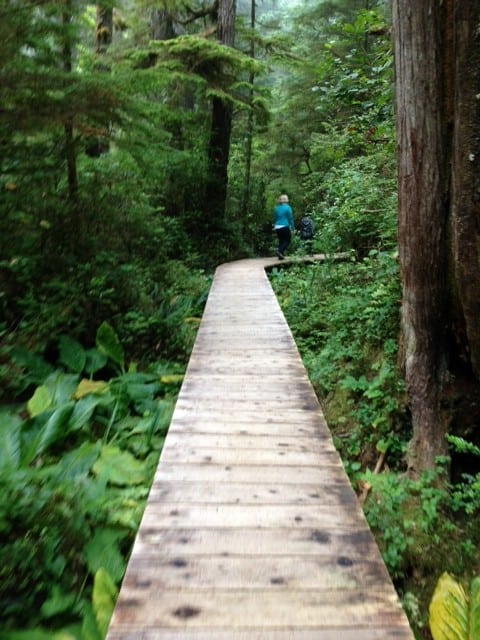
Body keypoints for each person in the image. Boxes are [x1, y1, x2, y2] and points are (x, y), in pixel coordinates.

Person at [273, 194, 294, 259]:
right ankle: (279, 251)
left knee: (281, 240)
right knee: (287, 240)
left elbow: (275, 218)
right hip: (285, 225)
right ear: (286, 200)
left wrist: (274, 225)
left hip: (277, 226)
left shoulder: (276, 208)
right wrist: (292, 228)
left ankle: (281, 256)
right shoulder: (288, 207)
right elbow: (290, 218)